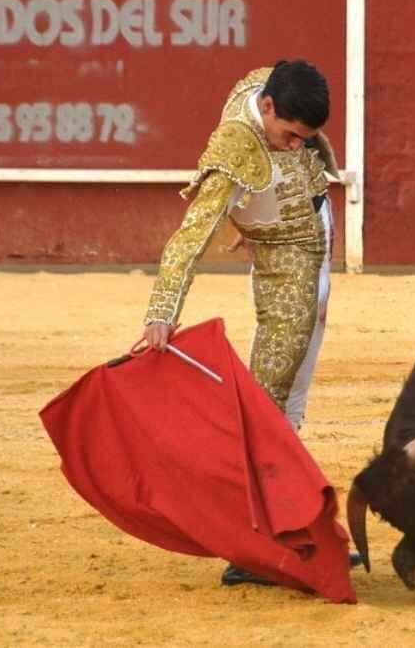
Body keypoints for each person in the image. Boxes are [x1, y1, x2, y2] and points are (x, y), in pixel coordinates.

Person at [140, 58, 339, 586]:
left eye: (307, 139)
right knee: (273, 392)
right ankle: (259, 539)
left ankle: (285, 527)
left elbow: (295, 119)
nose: (296, 146)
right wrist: (162, 313)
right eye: (290, 135)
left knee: (292, 379)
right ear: (267, 109)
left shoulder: (264, 83)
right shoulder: (235, 146)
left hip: (315, 227)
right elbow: (190, 237)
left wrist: (245, 211)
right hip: (287, 251)